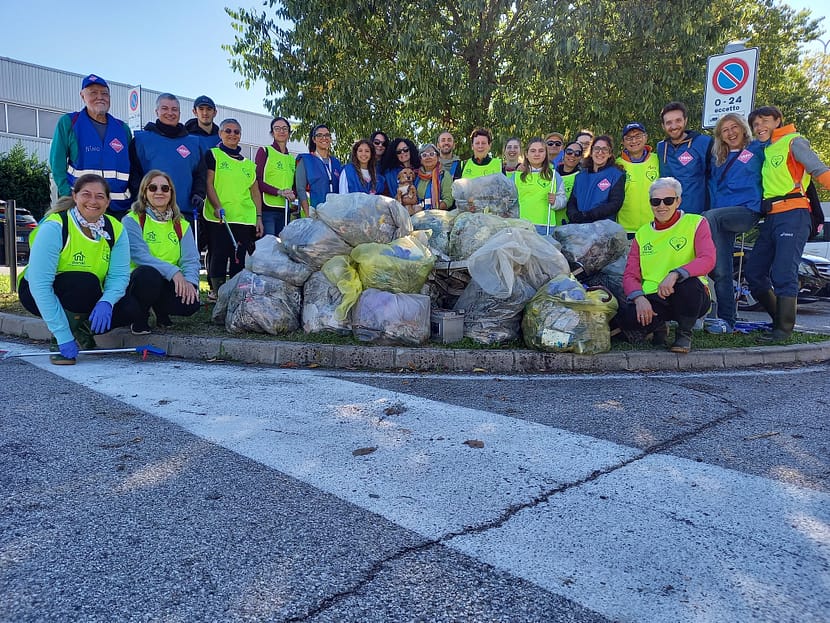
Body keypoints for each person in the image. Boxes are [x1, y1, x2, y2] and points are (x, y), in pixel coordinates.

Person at [17, 174, 138, 365]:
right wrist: (62, 334)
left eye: (100, 196)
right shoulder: (56, 226)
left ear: (107, 202)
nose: (93, 201)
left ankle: (81, 331)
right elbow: (40, 286)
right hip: (37, 291)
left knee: (131, 307)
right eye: (86, 194)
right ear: (75, 196)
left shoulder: (115, 229)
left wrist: (107, 301)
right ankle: (61, 340)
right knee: (84, 283)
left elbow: (119, 275)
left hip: (87, 292)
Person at [745, 105, 830, 341]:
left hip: (794, 214)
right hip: (771, 216)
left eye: (765, 121)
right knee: (754, 272)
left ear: (778, 121)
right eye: (755, 124)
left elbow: (818, 169)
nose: (759, 127)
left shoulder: (793, 141)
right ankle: (777, 321)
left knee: (783, 273)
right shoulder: (766, 149)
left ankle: (784, 330)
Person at [618, 177, 715, 353]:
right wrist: (639, 298)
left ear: (678, 201)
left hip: (690, 295)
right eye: (656, 201)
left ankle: (684, 334)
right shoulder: (643, 233)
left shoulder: (696, 223)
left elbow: (708, 259)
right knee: (626, 318)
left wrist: (676, 273)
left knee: (689, 285)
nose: (661, 206)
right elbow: (630, 274)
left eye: (668, 200)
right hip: (655, 297)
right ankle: (658, 327)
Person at [702, 113, 764, 334]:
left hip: (747, 210)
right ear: (720, 135)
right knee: (721, 271)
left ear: (743, 128)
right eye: (725, 129)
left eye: (734, 126)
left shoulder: (758, 149)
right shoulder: (718, 157)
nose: (730, 132)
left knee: (707, 217)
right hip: (721, 218)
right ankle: (727, 320)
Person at [123, 171, 201, 334]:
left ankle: (161, 311)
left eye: (165, 188)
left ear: (171, 193)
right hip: (139, 280)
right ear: (144, 193)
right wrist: (174, 273)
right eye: (152, 188)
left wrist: (190, 283)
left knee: (190, 304)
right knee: (147, 275)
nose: (159, 192)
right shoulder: (132, 220)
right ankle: (140, 318)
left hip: (169, 279)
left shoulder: (181, 224)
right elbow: (139, 256)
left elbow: (191, 259)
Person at [50, 74, 133, 217]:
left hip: (117, 208)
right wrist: (67, 195)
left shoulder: (122, 129)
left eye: (104, 93)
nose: (100, 97)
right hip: (81, 206)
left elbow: (133, 166)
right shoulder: (69, 122)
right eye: (93, 93)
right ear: (82, 96)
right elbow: (56, 162)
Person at [203, 119, 264, 299]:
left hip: (244, 219)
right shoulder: (213, 155)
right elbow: (209, 183)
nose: (232, 134)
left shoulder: (248, 165)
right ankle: (218, 294)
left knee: (240, 257)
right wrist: (217, 206)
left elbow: (255, 194)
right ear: (220, 134)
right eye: (228, 131)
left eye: (236, 132)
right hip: (220, 217)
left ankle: (236, 295)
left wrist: (258, 217)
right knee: (219, 256)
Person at [129, 93, 206, 226]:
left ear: (179, 113)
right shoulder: (141, 140)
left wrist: (198, 193)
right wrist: (141, 200)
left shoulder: (193, 143)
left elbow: (200, 174)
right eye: (165, 108)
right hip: (150, 213)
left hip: (184, 213)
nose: (170, 113)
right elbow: (134, 174)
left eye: (174, 109)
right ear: (156, 111)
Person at [656, 101, 712, 215]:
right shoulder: (661, 147)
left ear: (685, 120)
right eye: (669, 122)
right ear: (663, 126)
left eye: (678, 120)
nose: (674, 126)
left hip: (697, 214)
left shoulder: (704, 143)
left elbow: (717, 178)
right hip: (669, 214)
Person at [565, 135, 625, 224]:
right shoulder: (580, 176)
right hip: (579, 227)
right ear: (591, 151)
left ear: (610, 154)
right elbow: (572, 201)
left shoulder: (616, 175)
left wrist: (588, 215)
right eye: (597, 148)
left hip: (603, 229)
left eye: (604, 149)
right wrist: (574, 215)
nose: (600, 152)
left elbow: (615, 204)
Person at [514, 137, 566, 234]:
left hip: (545, 227)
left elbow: (563, 199)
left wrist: (556, 201)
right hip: (521, 226)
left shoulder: (554, 175)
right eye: (533, 151)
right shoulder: (517, 175)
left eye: (541, 151)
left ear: (546, 153)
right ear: (526, 154)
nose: (537, 154)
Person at [255, 116, 297, 237]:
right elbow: (258, 181)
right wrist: (278, 192)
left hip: (285, 210)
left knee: (283, 249)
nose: (281, 131)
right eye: (277, 128)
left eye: (285, 128)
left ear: (289, 132)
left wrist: (293, 193)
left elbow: (294, 184)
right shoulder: (265, 151)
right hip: (268, 210)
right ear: (272, 132)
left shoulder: (291, 159)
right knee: (270, 248)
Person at [616, 122, 660, 235]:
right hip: (625, 229)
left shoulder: (658, 159)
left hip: (655, 226)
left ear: (645, 137)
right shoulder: (617, 164)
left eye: (638, 136)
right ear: (623, 141)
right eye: (629, 138)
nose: (634, 141)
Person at [296, 123, 342, 216]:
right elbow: (300, 189)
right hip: (314, 212)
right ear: (314, 139)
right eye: (319, 135)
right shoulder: (306, 160)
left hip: (334, 215)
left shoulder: (336, 162)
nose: (324, 138)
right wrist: (308, 213)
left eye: (327, 135)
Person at [413, 143, 453, 212]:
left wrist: (433, 211)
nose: (428, 157)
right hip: (418, 216)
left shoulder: (444, 175)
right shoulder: (416, 176)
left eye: (432, 154)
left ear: (437, 157)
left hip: (438, 217)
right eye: (424, 155)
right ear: (421, 160)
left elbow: (448, 200)